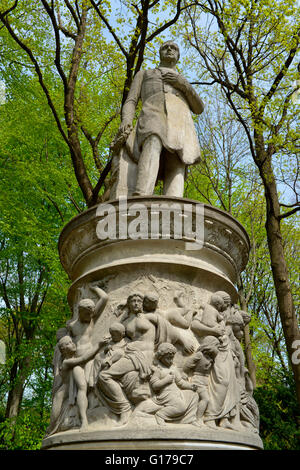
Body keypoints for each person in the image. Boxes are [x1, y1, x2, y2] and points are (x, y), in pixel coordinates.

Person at [118, 40, 205, 197]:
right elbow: (131, 101)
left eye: (174, 48)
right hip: (152, 114)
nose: (170, 49)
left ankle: (174, 203)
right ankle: (142, 195)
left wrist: (183, 84)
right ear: (160, 53)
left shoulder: (182, 81)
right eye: (166, 47)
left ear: (178, 56)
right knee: (153, 142)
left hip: (180, 121)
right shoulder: (144, 74)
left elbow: (199, 108)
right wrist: (126, 120)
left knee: (178, 160)